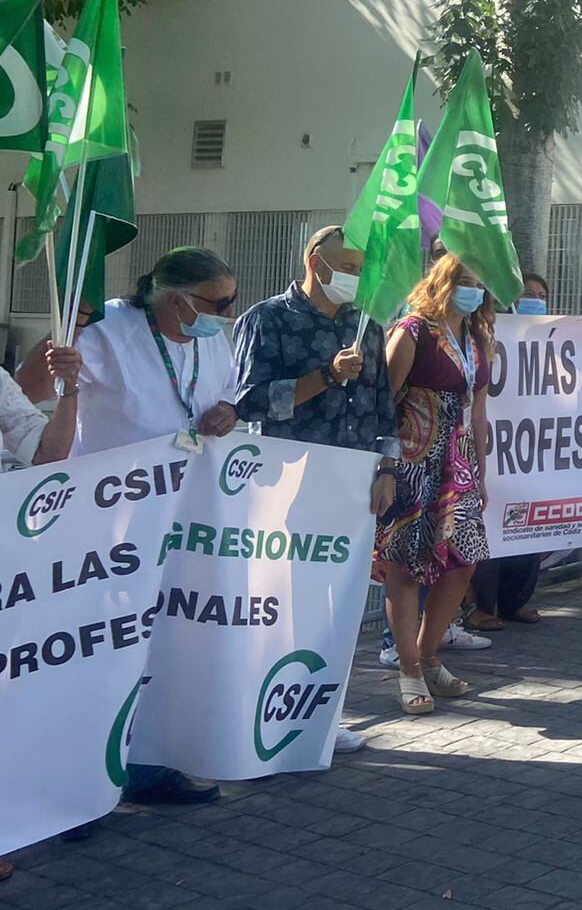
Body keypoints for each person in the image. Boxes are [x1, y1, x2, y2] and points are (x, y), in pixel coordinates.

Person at [72, 247, 242, 806]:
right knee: (105, 644)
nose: (227, 314)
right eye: (218, 303)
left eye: (231, 301)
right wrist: (60, 347)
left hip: (181, 518)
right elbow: (38, 390)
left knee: (162, 641)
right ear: (173, 299)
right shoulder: (108, 330)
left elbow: (226, 394)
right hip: (110, 521)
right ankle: (81, 777)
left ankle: (144, 761)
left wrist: (229, 413)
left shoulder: (211, 339)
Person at [230, 225, 400, 750]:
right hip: (288, 487)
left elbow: (383, 406)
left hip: (352, 488)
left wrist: (388, 470)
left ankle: (321, 715)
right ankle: (263, 712)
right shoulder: (267, 319)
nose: (354, 277)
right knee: (286, 602)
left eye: (359, 270)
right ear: (314, 262)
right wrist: (326, 375)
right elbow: (249, 401)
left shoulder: (365, 326)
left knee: (335, 606)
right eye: (345, 267)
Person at [378, 254, 494, 717]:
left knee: (464, 561)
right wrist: (386, 469)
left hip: (456, 464)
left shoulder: (478, 338)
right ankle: (408, 668)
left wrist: (480, 470)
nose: (473, 291)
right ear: (442, 282)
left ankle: (428, 656)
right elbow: (384, 403)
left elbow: (479, 412)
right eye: (464, 281)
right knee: (406, 568)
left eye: (479, 284)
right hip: (411, 461)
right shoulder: (412, 332)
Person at [471, 269, 550, 623]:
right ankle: (481, 607)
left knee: (527, 529)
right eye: (527, 293)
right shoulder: (487, 333)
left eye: (541, 295)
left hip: (530, 448)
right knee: (489, 529)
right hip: (494, 443)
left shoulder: (551, 335)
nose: (535, 300)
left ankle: (515, 601)